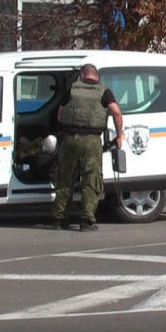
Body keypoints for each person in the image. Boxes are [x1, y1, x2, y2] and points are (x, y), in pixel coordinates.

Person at [51, 64, 123, 232]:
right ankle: (86, 220)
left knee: (65, 178)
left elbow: (60, 114)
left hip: (70, 139)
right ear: (96, 77)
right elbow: (117, 113)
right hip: (92, 141)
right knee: (91, 179)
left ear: (82, 75)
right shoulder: (104, 91)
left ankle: (60, 220)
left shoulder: (72, 89)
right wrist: (119, 136)